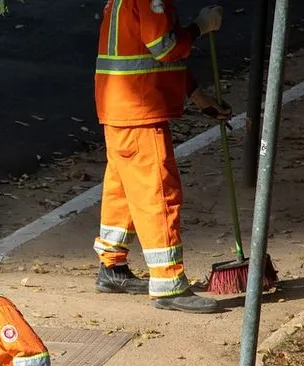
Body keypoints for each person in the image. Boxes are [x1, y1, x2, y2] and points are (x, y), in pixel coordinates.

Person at [94, 0, 232, 313]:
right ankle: (168, 284)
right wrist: (201, 26)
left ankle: (112, 267)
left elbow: (157, 60)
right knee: (158, 194)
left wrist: (201, 100)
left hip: (120, 110)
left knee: (124, 191)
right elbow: (165, 48)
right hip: (139, 111)